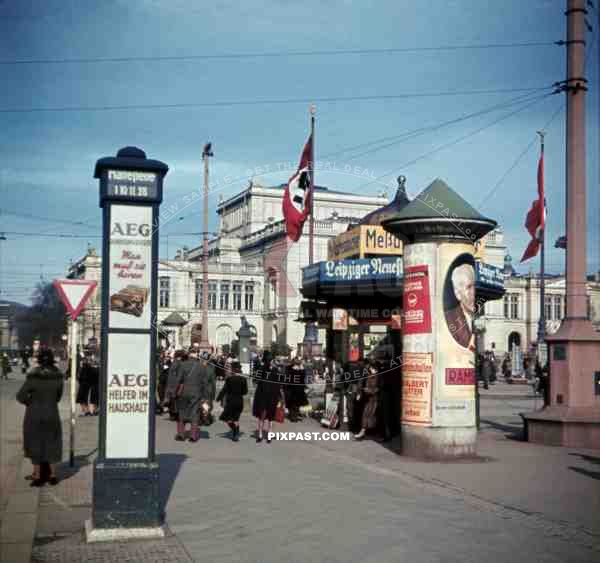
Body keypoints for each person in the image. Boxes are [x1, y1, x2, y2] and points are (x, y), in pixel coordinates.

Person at [16, 348, 63, 487]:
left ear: (39, 361)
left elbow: (20, 396)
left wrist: (31, 402)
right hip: (52, 414)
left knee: (34, 442)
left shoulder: (33, 376)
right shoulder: (58, 377)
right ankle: (53, 475)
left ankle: (37, 475)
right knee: (52, 442)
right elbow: (58, 397)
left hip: (34, 415)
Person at [175, 348, 210, 442]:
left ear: (189, 355)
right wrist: (206, 397)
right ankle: (193, 436)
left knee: (182, 412)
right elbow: (205, 383)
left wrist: (174, 392)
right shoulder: (202, 366)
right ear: (197, 355)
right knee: (194, 414)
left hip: (184, 392)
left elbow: (178, 380)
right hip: (196, 393)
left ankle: (181, 435)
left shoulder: (183, 365)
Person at [252, 351, 283, 443]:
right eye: (269, 359)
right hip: (267, 395)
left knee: (266, 416)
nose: (270, 361)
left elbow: (278, 383)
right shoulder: (267, 369)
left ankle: (263, 435)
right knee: (268, 416)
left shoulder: (271, 369)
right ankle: (265, 435)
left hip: (266, 395)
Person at [445, 263, 476, 349]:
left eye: (476, 286)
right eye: (469, 287)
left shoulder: (482, 316)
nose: (474, 292)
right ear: (457, 293)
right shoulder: (449, 320)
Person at [216, 361, 248, 441]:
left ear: (233, 369)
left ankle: (235, 431)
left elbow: (224, 390)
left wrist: (218, 398)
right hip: (239, 401)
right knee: (236, 419)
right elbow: (245, 392)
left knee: (226, 418)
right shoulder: (243, 379)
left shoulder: (229, 379)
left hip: (231, 401)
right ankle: (236, 434)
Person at [354, 363, 379, 440]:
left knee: (371, 416)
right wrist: (361, 392)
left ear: (376, 369)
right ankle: (363, 432)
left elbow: (378, 388)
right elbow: (362, 384)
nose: (370, 370)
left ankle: (367, 432)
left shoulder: (378, 377)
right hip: (368, 399)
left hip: (374, 399)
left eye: (372, 369)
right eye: (370, 369)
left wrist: (370, 390)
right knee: (366, 415)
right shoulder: (369, 376)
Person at [164, 349, 185, 420]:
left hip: (170, 384)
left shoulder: (174, 363)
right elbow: (179, 376)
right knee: (175, 401)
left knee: (172, 400)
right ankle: (175, 415)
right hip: (175, 384)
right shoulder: (179, 363)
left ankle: (172, 415)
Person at [285, 357, 307, 422]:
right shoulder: (289, 368)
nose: (297, 362)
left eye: (298, 361)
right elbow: (288, 377)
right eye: (296, 361)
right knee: (292, 403)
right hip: (291, 389)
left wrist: (301, 369)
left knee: (298, 403)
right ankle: (292, 417)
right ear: (293, 362)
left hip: (299, 389)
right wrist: (295, 370)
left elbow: (303, 376)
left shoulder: (300, 368)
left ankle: (295, 416)